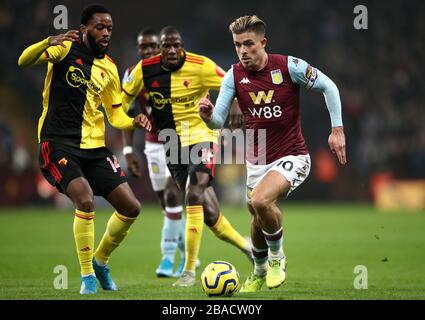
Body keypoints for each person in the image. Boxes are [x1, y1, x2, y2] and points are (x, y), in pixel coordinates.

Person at [199, 15, 347, 292]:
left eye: (248, 44)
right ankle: (258, 270)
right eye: (237, 45)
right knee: (256, 215)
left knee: (261, 200)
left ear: (262, 42)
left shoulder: (289, 67)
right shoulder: (233, 75)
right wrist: (207, 116)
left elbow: (329, 87)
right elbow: (218, 121)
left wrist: (336, 129)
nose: (242, 51)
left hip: (292, 154)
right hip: (256, 160)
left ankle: (278, 258)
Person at [18, 4, 151, 294]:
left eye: (109, 29)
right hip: (57, 144)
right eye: (100, 27)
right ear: (83, 29)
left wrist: (133, 121)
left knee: (131, 208)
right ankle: (87, 275)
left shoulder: (110, 68)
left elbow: (114, 114)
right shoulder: (65, 49)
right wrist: (46, 43)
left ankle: (101, 261)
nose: (106, 33)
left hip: (94, 149)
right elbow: (23, 61)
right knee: (86, 201)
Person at [122, 26, 252, 287]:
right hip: (171, 144)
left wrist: (236, 102)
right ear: (160, 48)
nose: (171, 50)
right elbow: (121, 103)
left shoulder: (200, 65)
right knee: (209, 214)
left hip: (203, 137)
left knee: (193, 193)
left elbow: (234, 79)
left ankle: (188, 270)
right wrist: (128, 122)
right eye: (166, 46)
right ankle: (249, 247)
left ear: (182, 45)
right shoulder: (142, 71)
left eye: (176, 45)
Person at [121, 28, 187, 277]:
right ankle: (189, 257)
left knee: (172, 195)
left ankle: (168, 259)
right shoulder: (132, 75)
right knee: (166, 204)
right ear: (138, 50)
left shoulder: (174, 70)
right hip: (152, 145)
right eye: (143, 47)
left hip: (179, 141)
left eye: (152, 47)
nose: (148, 51)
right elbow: (127, 113)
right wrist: (128, 149)